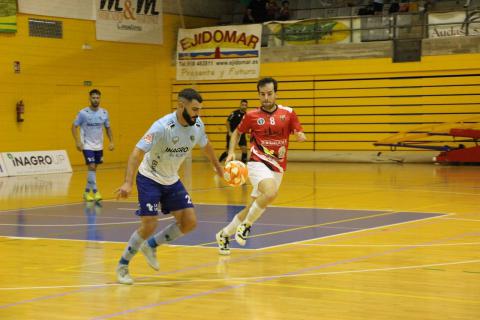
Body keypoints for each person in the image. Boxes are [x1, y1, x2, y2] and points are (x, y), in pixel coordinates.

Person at [114, 88, 223, 285]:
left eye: (199, 110)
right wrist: (128, 182)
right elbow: (136, 153)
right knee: (150, 224)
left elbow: (206, 145)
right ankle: (123, 266)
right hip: (149, 178)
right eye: (194, 109)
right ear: (181, 106)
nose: (197, 114)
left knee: (189, 222)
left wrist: (218, 167)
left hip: (171, 179)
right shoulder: (161, 127)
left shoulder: (197, 125)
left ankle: (151, 246)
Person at [215, 77, 307, 255]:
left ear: (276, 94)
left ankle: (224, 234)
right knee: (271, 193)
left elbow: (298, 129)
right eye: (262, 94)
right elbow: (236, 132)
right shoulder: (251, 116)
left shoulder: (288, 113)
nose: (266, 98)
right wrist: (231, 151)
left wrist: (300, 135)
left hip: (278, 166)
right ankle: (246, 226)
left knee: (254, 206)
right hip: (257, 162)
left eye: (270, 94)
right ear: (258, 95)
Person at [71, 89, 114, 202]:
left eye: (97, 98)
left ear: (100, 98)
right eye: (93, 98)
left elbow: (108, 128)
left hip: (99, 146)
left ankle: (86, 192)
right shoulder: (83, 113)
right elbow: (74, 126)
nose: (95, 100)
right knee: (91, 165)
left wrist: (111, 141)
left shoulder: (104, 113)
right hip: (87, 145)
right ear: (89, 99)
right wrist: (77, 141)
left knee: (93, 169)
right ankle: (96, 192)